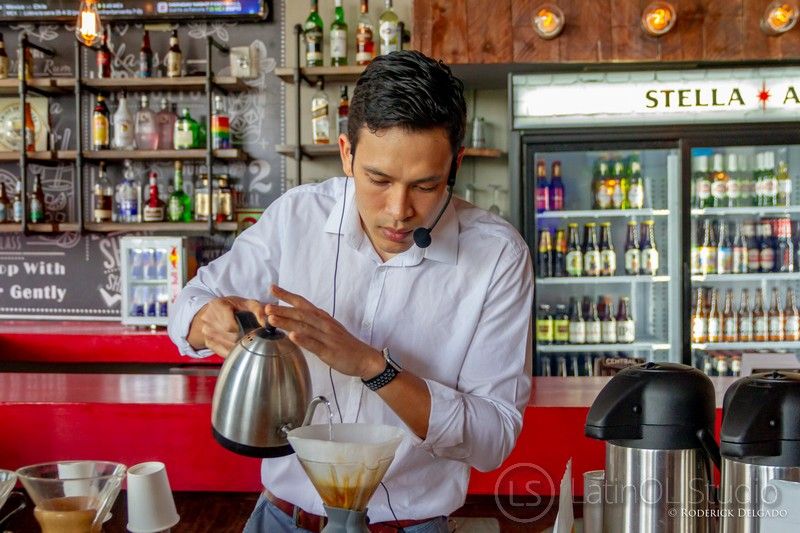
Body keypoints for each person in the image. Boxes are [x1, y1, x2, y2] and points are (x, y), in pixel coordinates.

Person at [168, 50, 532, 533]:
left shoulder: (498, 255)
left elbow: (493, 438)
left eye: (426, 186)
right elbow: (188, 305)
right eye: (378, 180)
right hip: (283, 518)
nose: (399, 210)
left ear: (456, 165)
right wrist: (208, 320)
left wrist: (371, 366)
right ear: (346, 154)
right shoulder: (297, 216)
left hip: (409, 525)